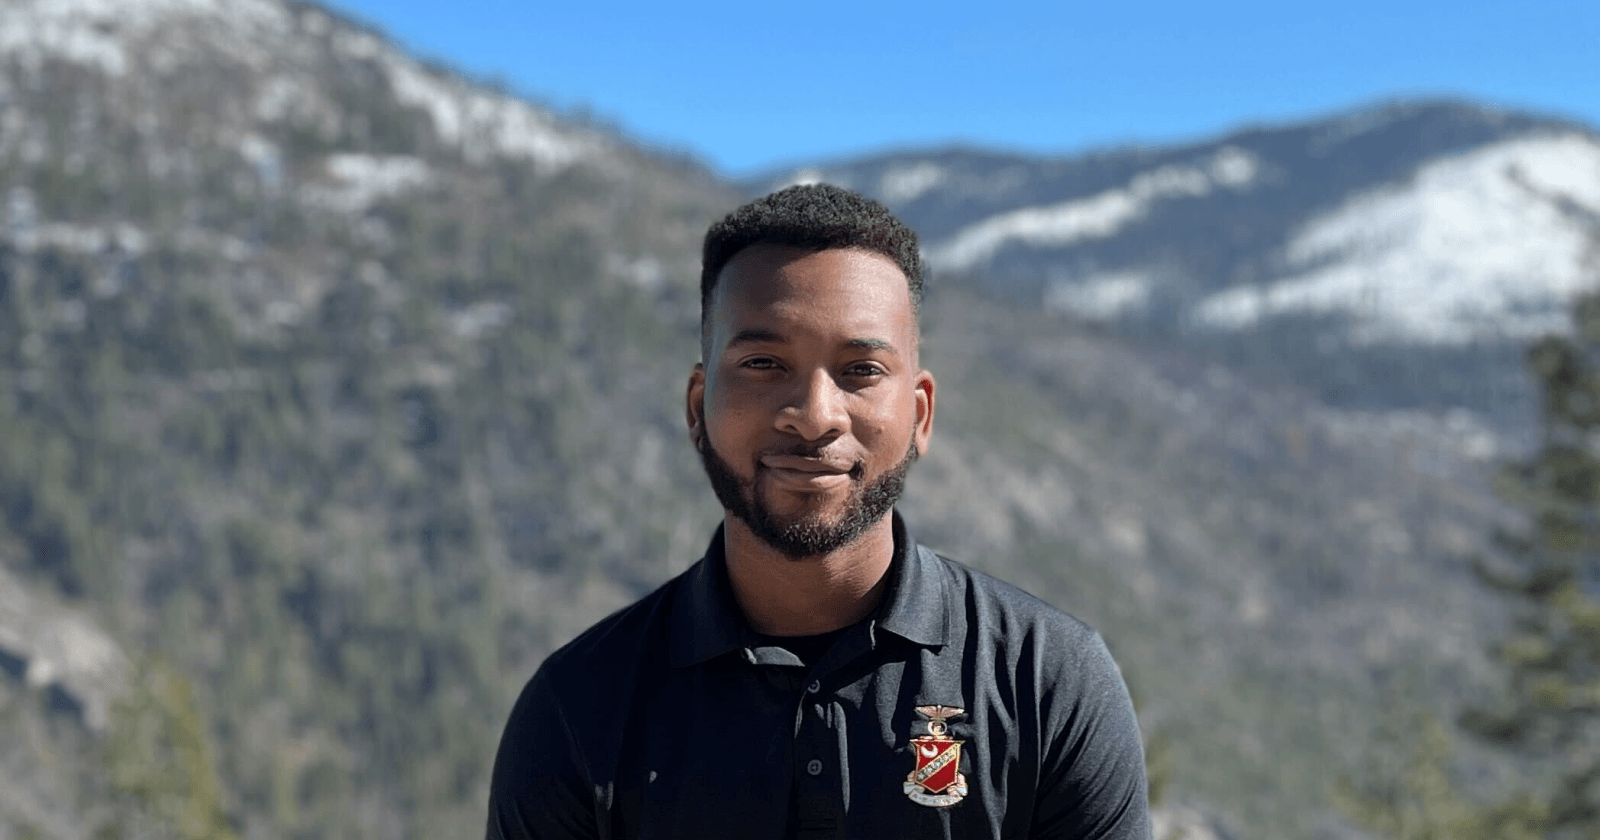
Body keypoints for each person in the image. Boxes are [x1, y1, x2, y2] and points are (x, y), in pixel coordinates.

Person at [486, 184, 1151, 839]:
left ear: (919, 415)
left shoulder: (1047, 682)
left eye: (860, 370)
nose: (813, 416)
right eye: (764, 362)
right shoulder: (578, 709)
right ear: (697, 407)